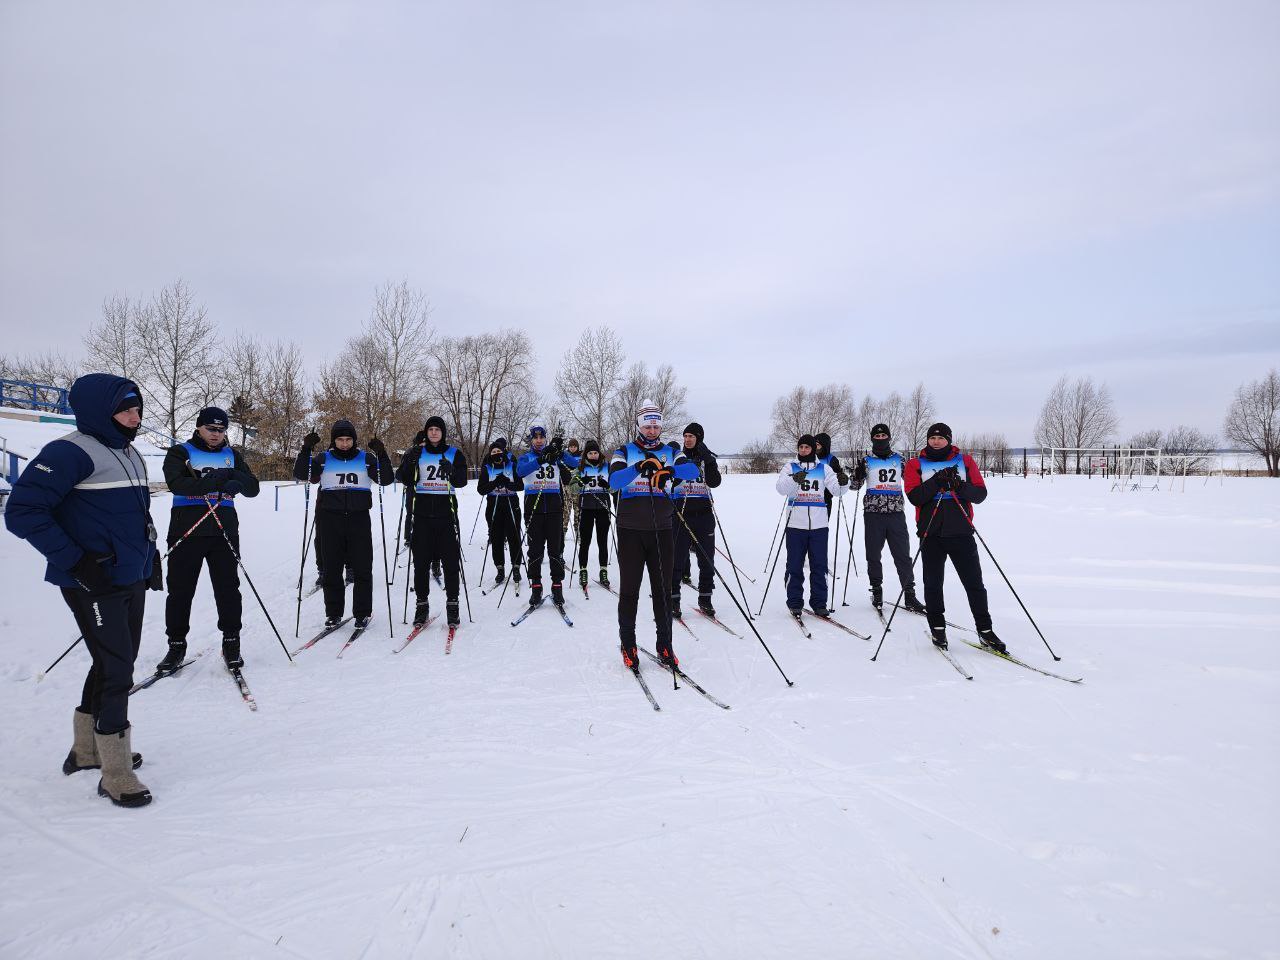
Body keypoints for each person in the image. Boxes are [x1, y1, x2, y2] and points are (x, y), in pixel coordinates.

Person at [5, 374, 159, 807]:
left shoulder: (128, 452)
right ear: (98, 412)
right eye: (125, 410)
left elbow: (135, 516)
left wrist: (150, 558)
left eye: (137, 409)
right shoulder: (68, 452)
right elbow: (22, 511)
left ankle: (87, 752)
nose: (135, 417)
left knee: (113, 661)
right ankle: (116, 772)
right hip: (91, 580)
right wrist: (76, 562)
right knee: (118, 668)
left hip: (129, 575)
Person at [160, 406, 261, 672]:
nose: (216, 434)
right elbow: (177, 484)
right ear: (198, 427)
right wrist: (216, 482)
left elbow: (253, 488)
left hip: (223, 530)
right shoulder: (181, 452)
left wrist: (233, 476)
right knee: (180, 590)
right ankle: (176, 644)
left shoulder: (232, 455)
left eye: (221, 429)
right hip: (187, 529)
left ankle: (231, 641)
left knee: (228, 589)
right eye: (210, 429)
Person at [608, 400, 699, 668]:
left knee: (662, 591)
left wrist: (669, 470)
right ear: (639, 425)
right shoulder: (624, 450)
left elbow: (693, 470)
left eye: (656, 426)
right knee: (630, 591)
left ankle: (665, 645)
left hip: (662, 529)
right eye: (647, 426)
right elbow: (614, 481)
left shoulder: (671, 451)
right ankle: (628, 644)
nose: (651, 430)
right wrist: (638, 467)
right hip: (630, 530)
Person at [904, 422, 1005, 653]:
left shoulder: (965, 461)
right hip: (931, 533)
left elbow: (980, 494)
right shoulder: (915, 464)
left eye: (941, 438)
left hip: (961, 532)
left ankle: (985, 630)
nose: (936, 441)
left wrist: (958, 485)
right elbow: (915, 497)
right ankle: (938, 627)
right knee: (933, 584)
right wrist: (936, 482)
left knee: (974, 584)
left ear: (949, 440)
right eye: (932, 438)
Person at [294, 420, 394, 629]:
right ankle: (333, 613)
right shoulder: (324, 459)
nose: (345, 443)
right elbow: (302, 474)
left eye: (348, 439)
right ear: (334, 440)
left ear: (354, 440)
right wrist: (306, 449)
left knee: (362, 568)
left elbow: (385, 479)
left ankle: (362, 613)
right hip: (331, 520)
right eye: (340, 439)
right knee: (332, 569)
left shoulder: (366, 458)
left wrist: (381, 453)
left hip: (359, 519)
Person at [396, 416, 468, 628]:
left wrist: (452, 471)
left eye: (437, 429)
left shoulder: (454, 453)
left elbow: (462, 481)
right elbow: (404, 478)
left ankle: (453, 605)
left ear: (443, 433)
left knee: (451, 563)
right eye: (431, 429)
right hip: (422, 516)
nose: (434, 432)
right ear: (426, 432)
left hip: (446, 515)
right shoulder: (417, 452)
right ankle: (422, 605)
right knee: (420, 564)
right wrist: (410, 461)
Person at [849, 423, 926, 615]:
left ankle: (909, 593)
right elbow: (854, 486)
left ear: (889, 437)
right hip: (873, 514)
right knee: (873, 554)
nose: (881, 438)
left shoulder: (900, 459)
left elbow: (914, 481)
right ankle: (876, 590)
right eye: (877, 436)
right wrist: (856, 476)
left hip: (895, 513)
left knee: (902, 555)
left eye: (884, 435)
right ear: (872, 439)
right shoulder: (866, 460)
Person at [775, 433, 847, 618]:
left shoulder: (824, 468)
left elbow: (837, 491)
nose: (804, 450)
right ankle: (794, 602)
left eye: (807, 447)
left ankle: (819, 603)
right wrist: (794, 479)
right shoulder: (790, 466)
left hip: (819, 525)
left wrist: (843, 482)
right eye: (801, 447)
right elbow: (781, 488)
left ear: (813, 449)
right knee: (794, 565)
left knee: (819, 566)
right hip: (795, 525)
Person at [516, 425, 579, 607]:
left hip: (554, 509)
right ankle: (536, 586)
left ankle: (557, 586)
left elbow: (574, 464)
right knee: (535, 550)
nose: (538, 440)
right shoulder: (526, 457)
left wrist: (560, 452)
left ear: (545, 438)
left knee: (555, 550)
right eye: (535, 438)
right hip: (533, 509)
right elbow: (520, 472)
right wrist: (541, 459)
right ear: (531, 440)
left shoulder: (555, 456)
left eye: (541, 437)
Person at [670, 422, 721, 618]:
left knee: (706, 560)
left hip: (704, 514)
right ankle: (674, 600)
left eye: (691, 436)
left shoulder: (706, 459)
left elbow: (715, 482)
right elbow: (670, 482)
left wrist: (708, 460)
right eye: (685, 436)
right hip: (681, 514)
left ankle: (705, 598)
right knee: (677, 560)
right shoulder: (678, 458)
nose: (687, 439)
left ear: (699, 438)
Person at [475, 438, 524, 585]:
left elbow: (520, 486)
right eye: (493, 452)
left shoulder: (512, 465)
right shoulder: (487, 468)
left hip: (511, 505)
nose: (496, 453)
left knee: (514, 537)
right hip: (494, 506)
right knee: (496, 539)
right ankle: (500, 568)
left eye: (499, 451)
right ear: (490, 454)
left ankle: (516, 567)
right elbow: (481, 489)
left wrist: (508, 483)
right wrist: (495, 483)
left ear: (503, 452)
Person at [574, 439, 612, 588]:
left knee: (602, 541)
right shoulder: (580, 467)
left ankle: (603, 571)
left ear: (599, 452)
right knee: (585, 541)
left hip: (603, 507)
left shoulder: (607, 466)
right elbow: (572, 488)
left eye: (595, 452)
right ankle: (583, 571)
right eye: (590, 453)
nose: (593, 455)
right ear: (586, 454)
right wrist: (580, 483)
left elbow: (615, 488)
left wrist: (607, 486)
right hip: (586, 508)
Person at [813, 432, 849, 515]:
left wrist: (841, 478)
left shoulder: (831, 459)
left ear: (824, 446)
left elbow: (837, 478)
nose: (815, 447)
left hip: (825, 498)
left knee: (821, 522)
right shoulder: (810, 457)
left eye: (817, 445)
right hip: (808, 496)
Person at [561, 438, 582, 538]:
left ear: (577, 447)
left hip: (577, 486)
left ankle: (578, 529)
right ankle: (563, 529)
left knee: (577, 508)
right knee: (566, 508)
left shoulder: (581, 457)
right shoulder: (565, 456)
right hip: (567, 485)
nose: (573, 448)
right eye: (571, 447)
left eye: (574, 447)